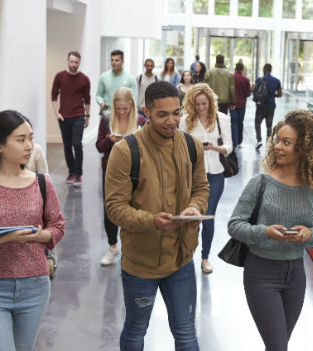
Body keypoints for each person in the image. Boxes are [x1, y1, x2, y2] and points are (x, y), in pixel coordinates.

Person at [227, 110, 313, 351]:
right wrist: (265, 232)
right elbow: (235, 225)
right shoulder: (260, 183)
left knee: (279, 345)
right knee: (278, 347)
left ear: (304, 149)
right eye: (277, 140)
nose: (277, 147)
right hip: (260, 272)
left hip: (295, 275)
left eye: (286, 142)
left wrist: (310, 235)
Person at [105, 80, 209, 351]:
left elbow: (201, 188)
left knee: (186, 334)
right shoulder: (125, 151)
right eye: (162, 114)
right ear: (146, 111)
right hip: (141, 264)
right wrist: (151, 221)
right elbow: (115, 207)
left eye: (176, 112)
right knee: (136, 329)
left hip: (182, 260)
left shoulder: (191, 145)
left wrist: (196, 207)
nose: (171, 120)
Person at [0, 110, 65, 351]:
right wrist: (5, 238)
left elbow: (57, 226)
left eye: (31, 138)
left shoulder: (41, 182)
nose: (29, 146)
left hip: (35, 285)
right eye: (21, 139)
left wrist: (40, 236)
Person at [179, 84, 232, 275]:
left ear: (210, 101)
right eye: (197, 104)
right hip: (192, 173)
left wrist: (214, 147)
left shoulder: (221, 118)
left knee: (208, 217)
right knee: (192, 217)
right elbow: (180, 146)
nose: (201, 108)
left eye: (204, 104)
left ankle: (205, 257)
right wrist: (196, 149)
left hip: (216, 173)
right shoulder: (185, 120)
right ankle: (187, 256)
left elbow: (229, 146)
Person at [96, 88, 147, 266]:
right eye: (118, 109)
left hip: (135, 171)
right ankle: (112, 246)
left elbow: (149, 146)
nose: (121, 112)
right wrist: (110, 139)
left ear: (132, 106)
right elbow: (99, 147)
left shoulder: (141, 121)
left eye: (125, 109)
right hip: (111, 171)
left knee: (133, 209)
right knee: (110, 210)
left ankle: (129, 248)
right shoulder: (106, 120)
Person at [51, 51, 91, 186]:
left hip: (79, 115)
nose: (74, 64)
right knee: (67, 146)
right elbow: (53, 96)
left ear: (79, 62)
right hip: (63, 117)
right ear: (68, 61)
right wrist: (57, 113)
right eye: (71, 61)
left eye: (76, 62)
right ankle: (71, 171)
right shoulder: (59, 76)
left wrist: (87, 116)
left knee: (77, 144)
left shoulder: (84, 79)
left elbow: (87, 99)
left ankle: (78, 174)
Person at [96, 49, 138, 117]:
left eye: (116, 60)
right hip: (108, 114)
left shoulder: (130, 78)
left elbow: (134, 98)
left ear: (122, 61)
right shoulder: (103, 77)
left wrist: (134, 112)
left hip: (125, 115)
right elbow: (98, 95)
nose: (113, 62)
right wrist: (101, 103)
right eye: (112, 60)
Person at [252, 63, 282, 150]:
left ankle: (259, 140)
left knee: (257, 123)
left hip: (260, 105)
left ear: (264, 69)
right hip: (271, 105)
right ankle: (268, 142)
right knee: (269, 125)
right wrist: (272, 95)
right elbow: (280, 94)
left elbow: (252, 89)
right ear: (271, 70)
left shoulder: (259, 80)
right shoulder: (276, 81)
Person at [232, 62, 251, 148]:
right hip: (242, 104)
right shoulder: (246, 80)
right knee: (240, 122)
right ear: (243, 69)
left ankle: (234, 142)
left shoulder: (231, 78)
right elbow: (248, 94)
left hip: (232, 104)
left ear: (235, 69)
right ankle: (239, 141)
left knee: (233, 123)